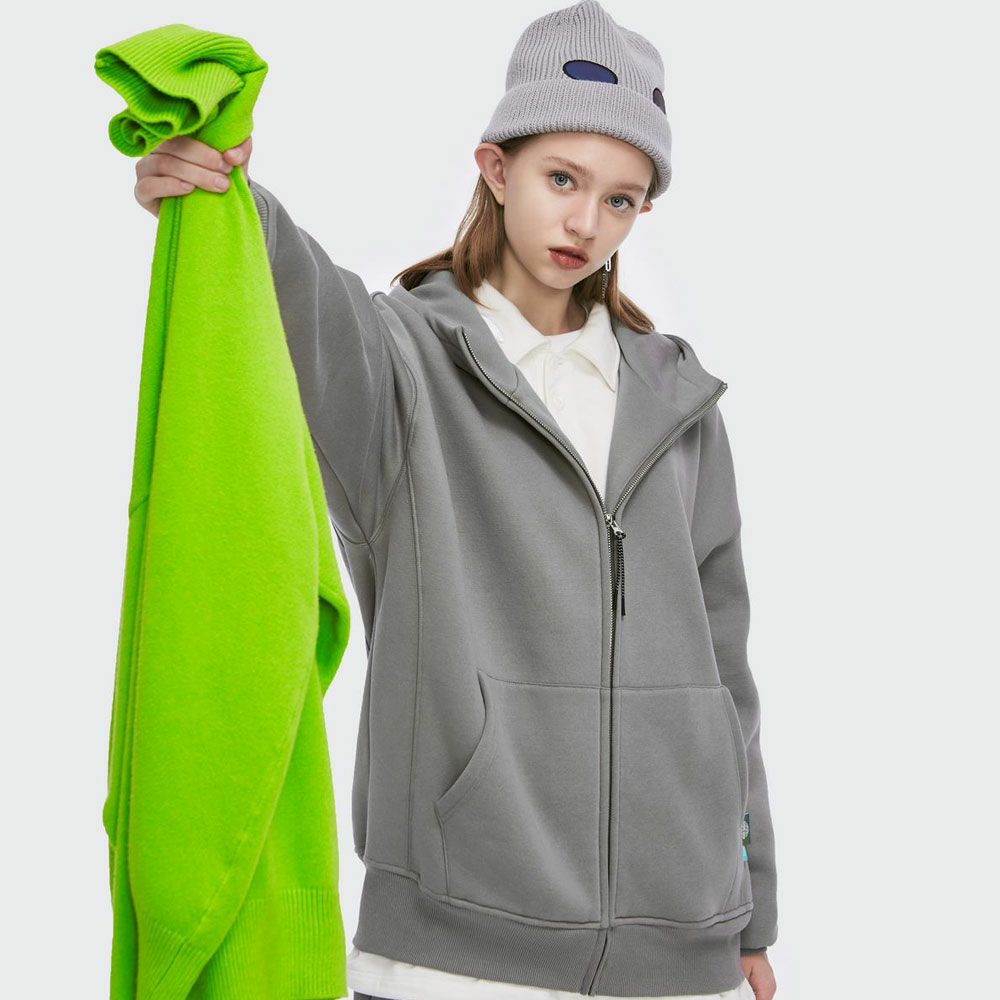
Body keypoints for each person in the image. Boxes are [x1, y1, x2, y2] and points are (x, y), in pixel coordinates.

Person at [132, 3, 779, 998]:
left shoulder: (679, 403)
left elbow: (726, 674)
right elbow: (293, 296)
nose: (585, 223)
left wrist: (751, 911)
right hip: (452, 961)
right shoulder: (399, 365)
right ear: (495, 169)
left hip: (686, 958)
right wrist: (224, 198)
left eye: (620, 198)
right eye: (561, 179)